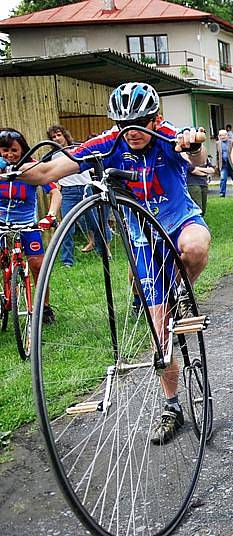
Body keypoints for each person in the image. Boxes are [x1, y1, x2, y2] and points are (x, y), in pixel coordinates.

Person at [14, 82, 211, 444]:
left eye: (141, 122)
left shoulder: (167, 135)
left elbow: (194, 157)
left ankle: (184, 289)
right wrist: (14, 171)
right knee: (159, 332)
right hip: (142, 237)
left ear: (155, 119)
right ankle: (172, 406)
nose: (133, 131)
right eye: (125, 123)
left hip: (179, 219)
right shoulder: (108, 142)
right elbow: (47, 173)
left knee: (196, 246)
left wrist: (194, 144)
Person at [0, 128, 62, 323]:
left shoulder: (33, 167)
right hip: (1, 223)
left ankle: (44, 308)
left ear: (23, 149)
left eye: (14, 150)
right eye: (4, 150)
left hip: (26, 224)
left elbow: (55, 192)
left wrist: (50, 215)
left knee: (38, 264)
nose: (9, 155)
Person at [47, 125, 110, 265]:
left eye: (59, 135)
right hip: (68, 193)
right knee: (66, 227)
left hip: (86, 189)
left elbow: (94, 166)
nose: (57, 139)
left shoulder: (79, 149)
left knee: (95, 224)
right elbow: (50, 174)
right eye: (53, 137)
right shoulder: (52, 156)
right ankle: (67, 261)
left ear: (65, 135)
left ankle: (104, 254)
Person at [216, 129, 233, 198]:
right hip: (223, 165)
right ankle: (222, 194)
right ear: (219, 136)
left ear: (227, 135)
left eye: (224, 135)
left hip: (231, 164)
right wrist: (217, 165)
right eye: (221, 135)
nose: (223, 137)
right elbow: (217, 155)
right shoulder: (218, 143)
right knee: (223, 179)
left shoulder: (232, 142)